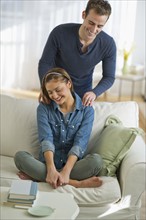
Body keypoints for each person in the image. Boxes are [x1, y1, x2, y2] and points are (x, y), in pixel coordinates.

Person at [14, 67, 103, 189]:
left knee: (96, 161)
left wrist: (66, 171)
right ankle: (76, 183)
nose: (54, 96)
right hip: (47, 165)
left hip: (72, 167)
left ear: (69, 84)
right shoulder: (43, 108)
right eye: (50, 92)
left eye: (58, 90)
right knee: (20, 157)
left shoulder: (86, 110)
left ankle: (42, 177)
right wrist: (51, 169)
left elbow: (80, 143)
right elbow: (46, 140)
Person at [38, 0, 116, 106]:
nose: (94, 30)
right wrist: (45, 89)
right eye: (91, 23)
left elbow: (109, 77)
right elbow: (45, 63)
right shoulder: (59, 33)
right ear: (84, 15)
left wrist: (94, 93)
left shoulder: (108, 44)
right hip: (56, 90)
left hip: (83, 94)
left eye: (99, 26)